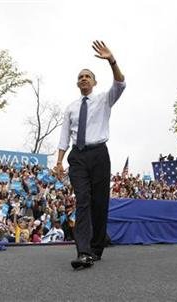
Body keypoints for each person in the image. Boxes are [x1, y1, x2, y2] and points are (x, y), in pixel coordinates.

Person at [55, 40, 125, 269]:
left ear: (94, 82)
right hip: (78, 157)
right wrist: (58, 162)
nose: (83, 79)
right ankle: (83, 252)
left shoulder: (104, 98)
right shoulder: (71, 108)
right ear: (77, 84)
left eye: (87, 76)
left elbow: (121, 83)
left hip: (99, 155)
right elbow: (64, 136)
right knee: (82, 200)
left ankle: (96, 247)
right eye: (80, 77)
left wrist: (111, 60)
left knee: (99, 202)